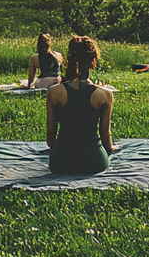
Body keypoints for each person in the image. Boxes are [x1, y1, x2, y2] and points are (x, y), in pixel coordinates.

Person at [46, 35, 115, 175]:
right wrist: (112, 148)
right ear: (93, 60)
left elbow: (50, 137)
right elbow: (105, 135)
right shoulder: (105, 95)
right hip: (94, 162)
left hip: (60, 162)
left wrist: (61, 152)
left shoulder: (54, 92)